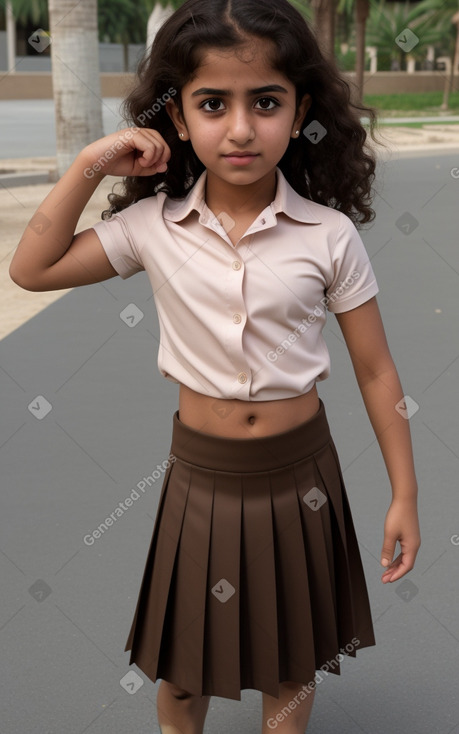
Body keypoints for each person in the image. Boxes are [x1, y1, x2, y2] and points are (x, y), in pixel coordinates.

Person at [9, 0, 421, 731]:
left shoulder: (327, 237)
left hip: (303, 481)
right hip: (199, 478)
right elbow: (32, 269)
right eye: (211, 103)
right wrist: (88, 163)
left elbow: (377, 372)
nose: (239, 127)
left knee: (290, 668)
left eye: (265, 102)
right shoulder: (149, 227)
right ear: (176, 118)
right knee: (181, 672)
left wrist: (403, 495)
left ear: (298, 115)